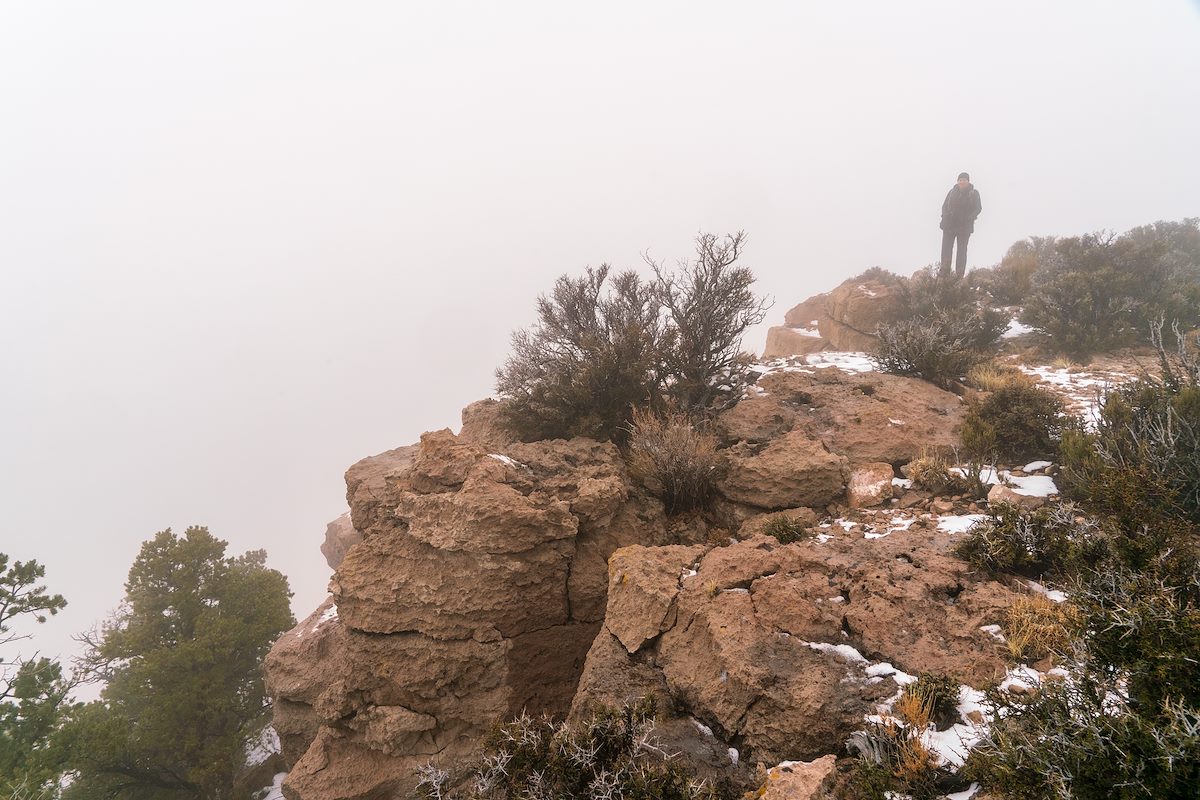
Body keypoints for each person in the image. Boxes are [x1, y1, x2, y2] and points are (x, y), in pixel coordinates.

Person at [940, 172, 982, 279]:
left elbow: (978, 208)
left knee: (961, 251)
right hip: (950, 225)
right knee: (946, 250)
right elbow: (944, 206)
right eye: (960, 180)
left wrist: (969, 218)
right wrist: (945, 217)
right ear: (957, 181)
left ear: (968, 181)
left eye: (964, 180)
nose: (962, 182)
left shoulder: (974, 193)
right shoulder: (952, 192)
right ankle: (944, 275)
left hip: (964, 227)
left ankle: (959, 276)